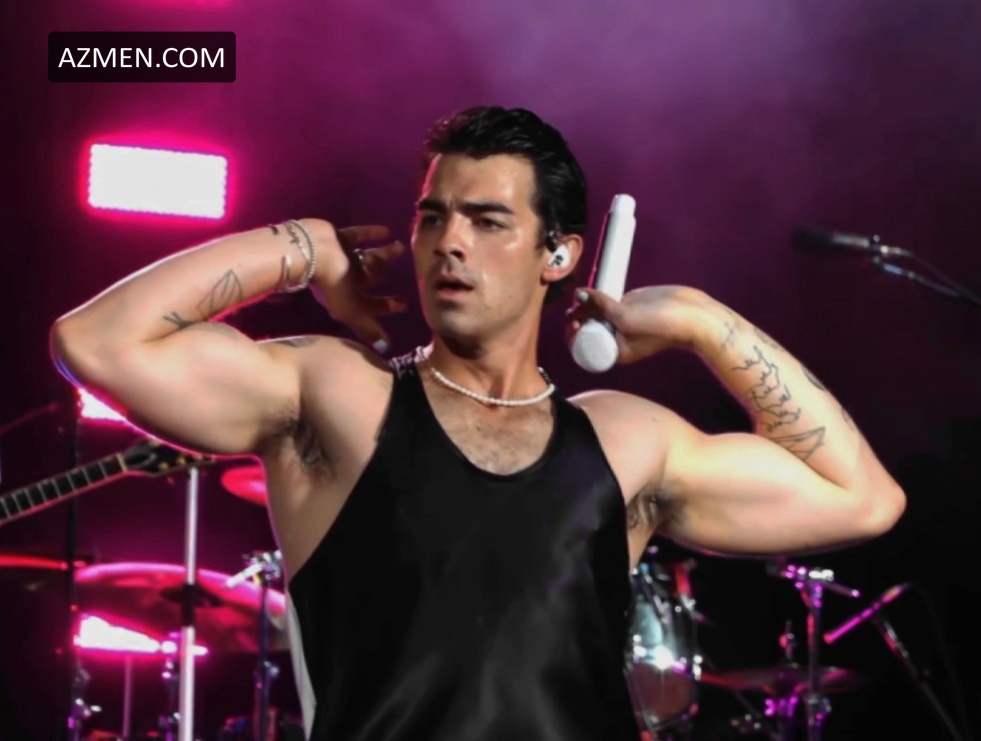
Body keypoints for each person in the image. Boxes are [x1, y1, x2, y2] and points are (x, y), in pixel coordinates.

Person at [50, 106, 905, 741]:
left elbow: (861, 498)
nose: (448, 242)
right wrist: (305, 248)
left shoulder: (623, 439)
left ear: (558, 254)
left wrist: (700, 320)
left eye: (487, 220)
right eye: (434, 216)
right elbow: (95, 343)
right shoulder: (341, 394)